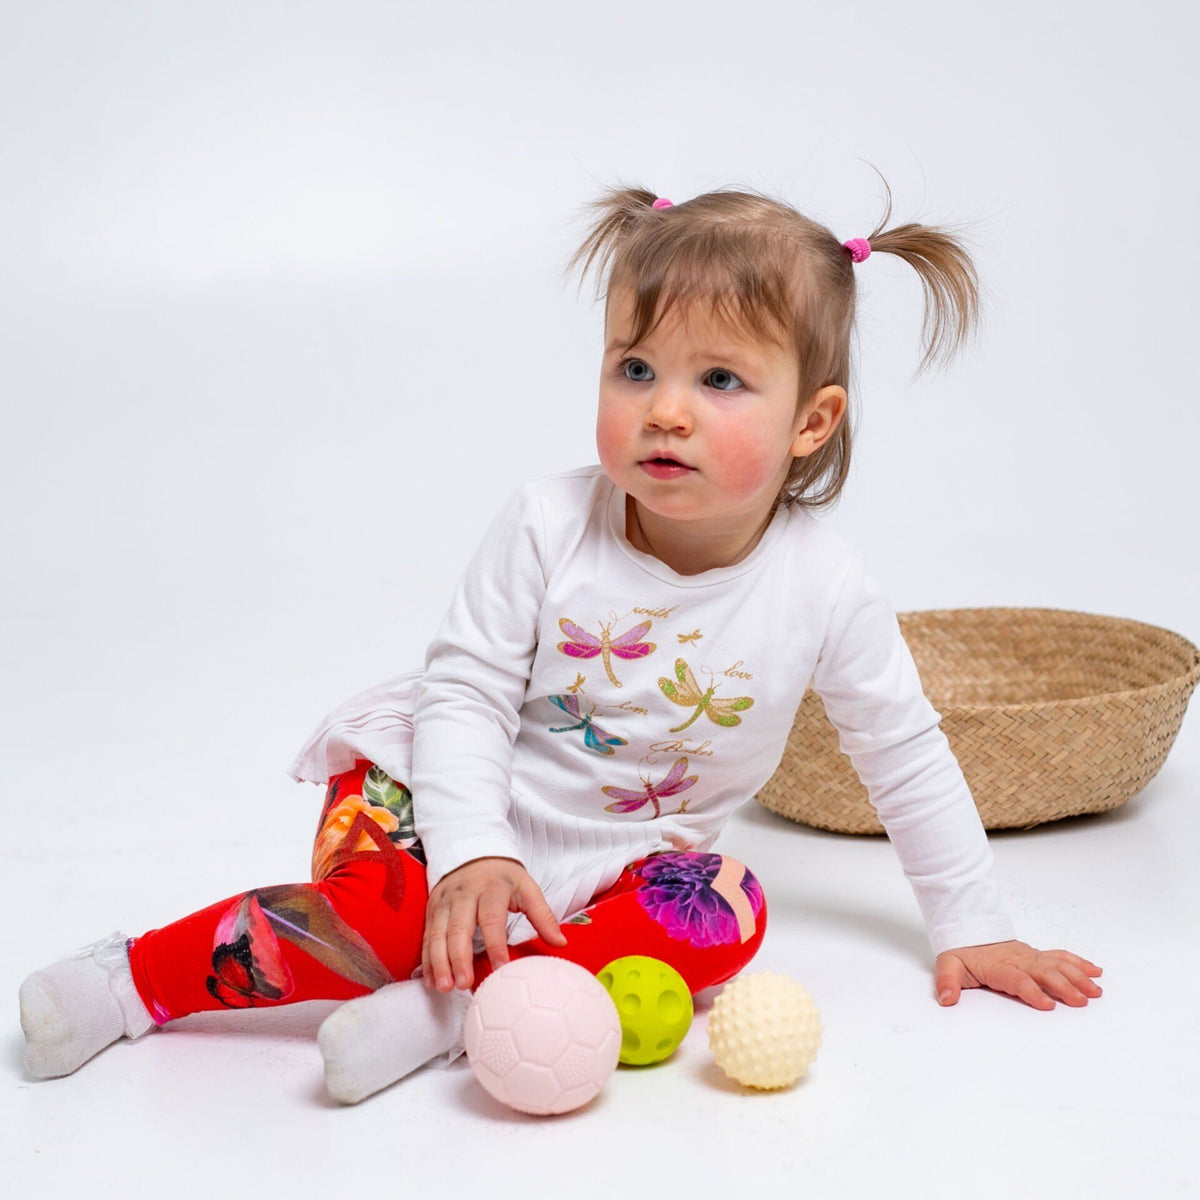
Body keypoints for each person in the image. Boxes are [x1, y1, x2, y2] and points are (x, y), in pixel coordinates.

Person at [19, 177, 1104, 1103]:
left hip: (615, 860)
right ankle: (134, 981)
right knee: (386, 914)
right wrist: (472, 852)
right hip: (433, 798)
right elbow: (464, 697)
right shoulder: (549, 523)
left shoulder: (826, 586)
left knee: (725, 912)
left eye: (718, 380)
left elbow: (902, 752)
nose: (664, 410)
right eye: (637, 369)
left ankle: (447, 1023)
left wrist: (972, 920)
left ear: (809, 422)